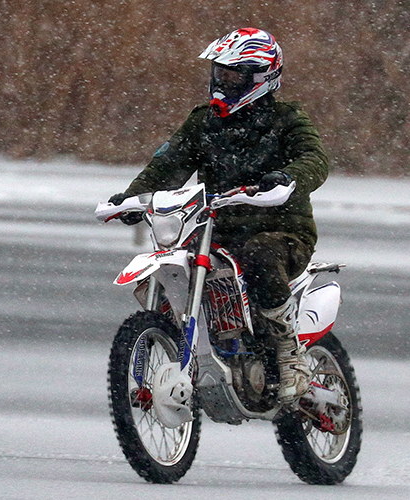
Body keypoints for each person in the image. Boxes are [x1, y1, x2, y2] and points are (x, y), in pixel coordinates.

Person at [109, 28, 329, 403]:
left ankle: (291, 356)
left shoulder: (287, 119)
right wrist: (132, 198)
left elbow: (316, 159)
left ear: (261, 77)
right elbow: (168, 164)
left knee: (260, 255)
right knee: (173, 265)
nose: (223, 81)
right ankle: (181, 345)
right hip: (215, 228)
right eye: (220, 72)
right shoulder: (204, 122)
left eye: (234, 74)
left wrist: (288, 178)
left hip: (281, 230)